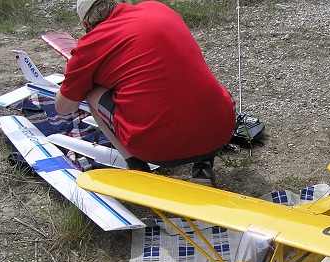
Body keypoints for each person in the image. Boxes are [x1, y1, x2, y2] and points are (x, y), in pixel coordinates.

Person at [54, 0, 236, 183]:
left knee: (90, 89)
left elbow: (63, 107)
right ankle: (203, 164)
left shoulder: (90, 44)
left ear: (87, 24)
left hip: (155, 147)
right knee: (188, 80)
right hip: (221, 129)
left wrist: (81, 73)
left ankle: (136, 166)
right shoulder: (157, 8)